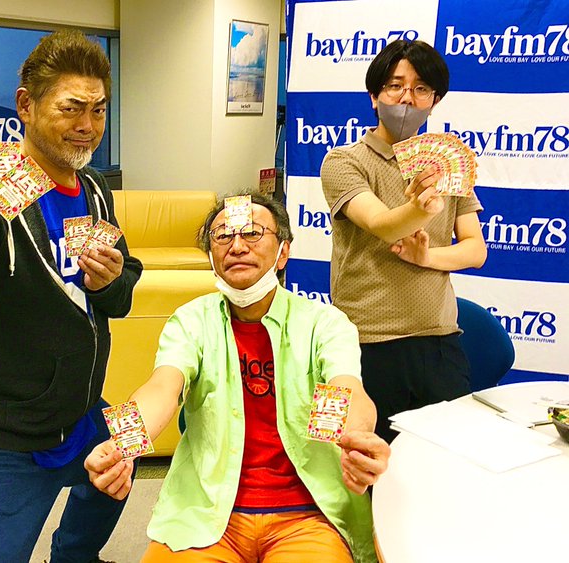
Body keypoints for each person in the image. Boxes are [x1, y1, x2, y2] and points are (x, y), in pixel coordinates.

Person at [0, 30, 142, 562]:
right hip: (1, 429)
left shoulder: (93, 188)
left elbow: (120, 292)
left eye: (98, 110)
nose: (87, 125)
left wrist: (112, 281)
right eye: (71, 108)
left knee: (130, 440)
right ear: (26, 105)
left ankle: (74, 555)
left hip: (80, 405)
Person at [85, 194, 390, 563]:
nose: (238, 246)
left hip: (307, 515)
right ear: (211, 256)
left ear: (283, 251)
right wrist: (123, 444)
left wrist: (357, 438)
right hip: (206, 511)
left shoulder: (322, 323)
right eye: (223, 236)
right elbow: (163, 387)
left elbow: (345, 387)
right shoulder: (192, 320)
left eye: (252, 233)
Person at [320, 39, 487, 444]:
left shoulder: (448, 163)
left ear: (435, 101)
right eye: (395, 86)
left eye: (421, 89)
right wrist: (420, 208)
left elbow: (475, 250)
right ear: (374, 96)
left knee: (445, 460)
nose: (407, 99)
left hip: (440, 341)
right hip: (363, 343)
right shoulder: (343, 161)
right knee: (354, 460)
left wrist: (425, 256)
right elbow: (382, 224)